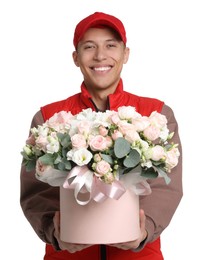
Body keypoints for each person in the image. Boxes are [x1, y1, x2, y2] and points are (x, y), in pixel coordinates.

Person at [20, 11, 183, 260]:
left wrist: (144, 229)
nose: (100, 56)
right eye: (89, 47)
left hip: (139, 256)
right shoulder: (49, 118)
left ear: (125, 54)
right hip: (68, 255)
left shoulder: (156, 115)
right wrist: (55, 233)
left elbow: (166, 187)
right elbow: (35, 192)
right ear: (76, 57)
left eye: (110, 45)